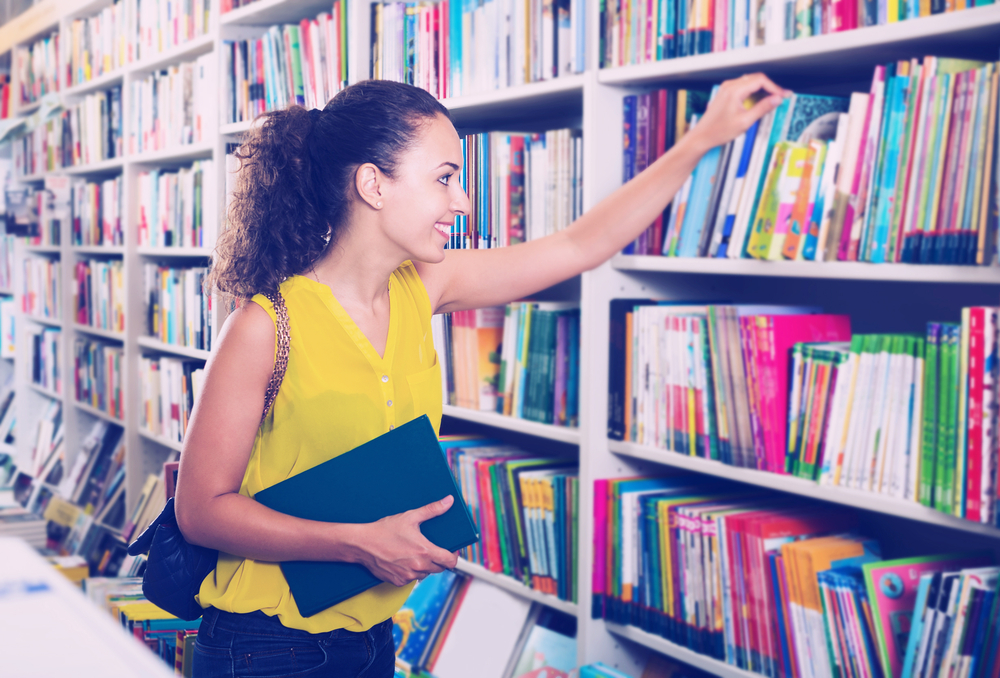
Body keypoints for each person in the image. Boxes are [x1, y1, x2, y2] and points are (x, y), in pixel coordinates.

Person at [175, 74, 786, 677]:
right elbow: (200, 510)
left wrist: (700, 141)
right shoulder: (264, 326)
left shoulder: (425, 286)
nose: (462, 201)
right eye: (444, 179)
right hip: (263, 648)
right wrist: (354, 542)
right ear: (373, 184)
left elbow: (578, 246)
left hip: (370, 641)